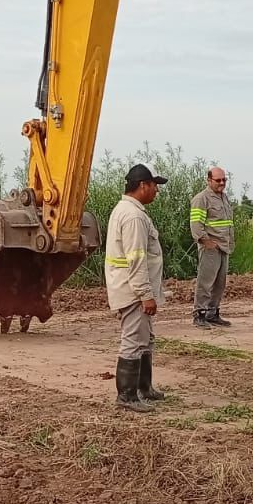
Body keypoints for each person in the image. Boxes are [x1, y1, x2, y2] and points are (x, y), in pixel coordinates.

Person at [105, 163, 167, 411]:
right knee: (133, 340)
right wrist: (145, 295)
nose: (156, 191)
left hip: (132, 289)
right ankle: (127, 396)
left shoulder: (130, 211)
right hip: (132, 291)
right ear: (143, 185)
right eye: (155, 186)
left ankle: (144, 388)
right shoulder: (132, 216)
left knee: (145, 339)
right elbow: (137, 258)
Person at [189, 166, 234, 328]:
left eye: (224, 180)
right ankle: (199, 314)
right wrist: (206, 242)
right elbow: (196, 224)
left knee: (219, 283)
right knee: (205, 282)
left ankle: (212, 313)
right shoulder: (202, 199)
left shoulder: (224, 198)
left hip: (224, 246)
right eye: (218, 180)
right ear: (209, 180)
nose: (222, 183)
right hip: (210, 247)